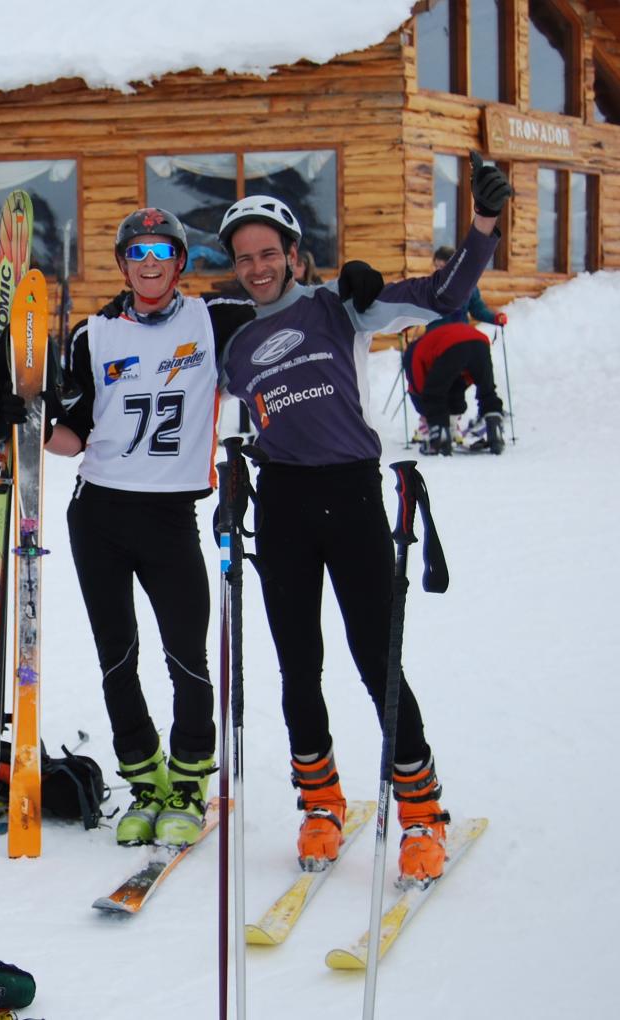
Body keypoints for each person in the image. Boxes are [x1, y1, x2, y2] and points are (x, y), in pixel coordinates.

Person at [217, 152, 512, 884]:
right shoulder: (232, 342)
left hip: (349, 498)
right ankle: (319, 804)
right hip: (280, 504)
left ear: (291, 253)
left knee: (375, 661)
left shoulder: (337, 306)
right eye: (243, 258)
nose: (256, 268)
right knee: (297, 667)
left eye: (267, 253)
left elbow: (446, 295)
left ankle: (420, 814)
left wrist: (481, 222)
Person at [44, 207, 256, 848]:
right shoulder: (93, 335)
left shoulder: (216, 319)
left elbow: (288, 314)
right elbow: (68, 437)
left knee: (186, 657)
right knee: (119, 658)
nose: (151, 262)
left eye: (163, 250)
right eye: (137, 252)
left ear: (181, 261)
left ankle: (189, 782)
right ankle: (144, 782)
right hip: (99, 515)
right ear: (123, 263)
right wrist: (20, 405)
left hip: (171, 516)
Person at [406, 245, 508, 454]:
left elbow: (478, 309)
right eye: (436, 266)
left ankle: (443, 428)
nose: (438, 269)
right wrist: (407, 322)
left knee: (442, 386)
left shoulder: (466, 287)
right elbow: (419, 311)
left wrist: (494, 318)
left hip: (446, 342)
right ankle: (436, 424)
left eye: (441, 265)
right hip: (452, 341)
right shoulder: (432, 286)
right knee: (447, 385)